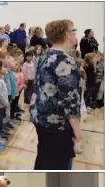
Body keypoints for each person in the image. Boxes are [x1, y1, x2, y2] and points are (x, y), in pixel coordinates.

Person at [29, 19, 81, 170]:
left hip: (41, 119)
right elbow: (70, 102)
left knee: (45, 159)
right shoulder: (66, 61)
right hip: (57, 125)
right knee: (58, 165)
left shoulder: (46, 55)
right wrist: (78, 133)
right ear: (67, 34)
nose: (75, 33)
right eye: (74, 30)